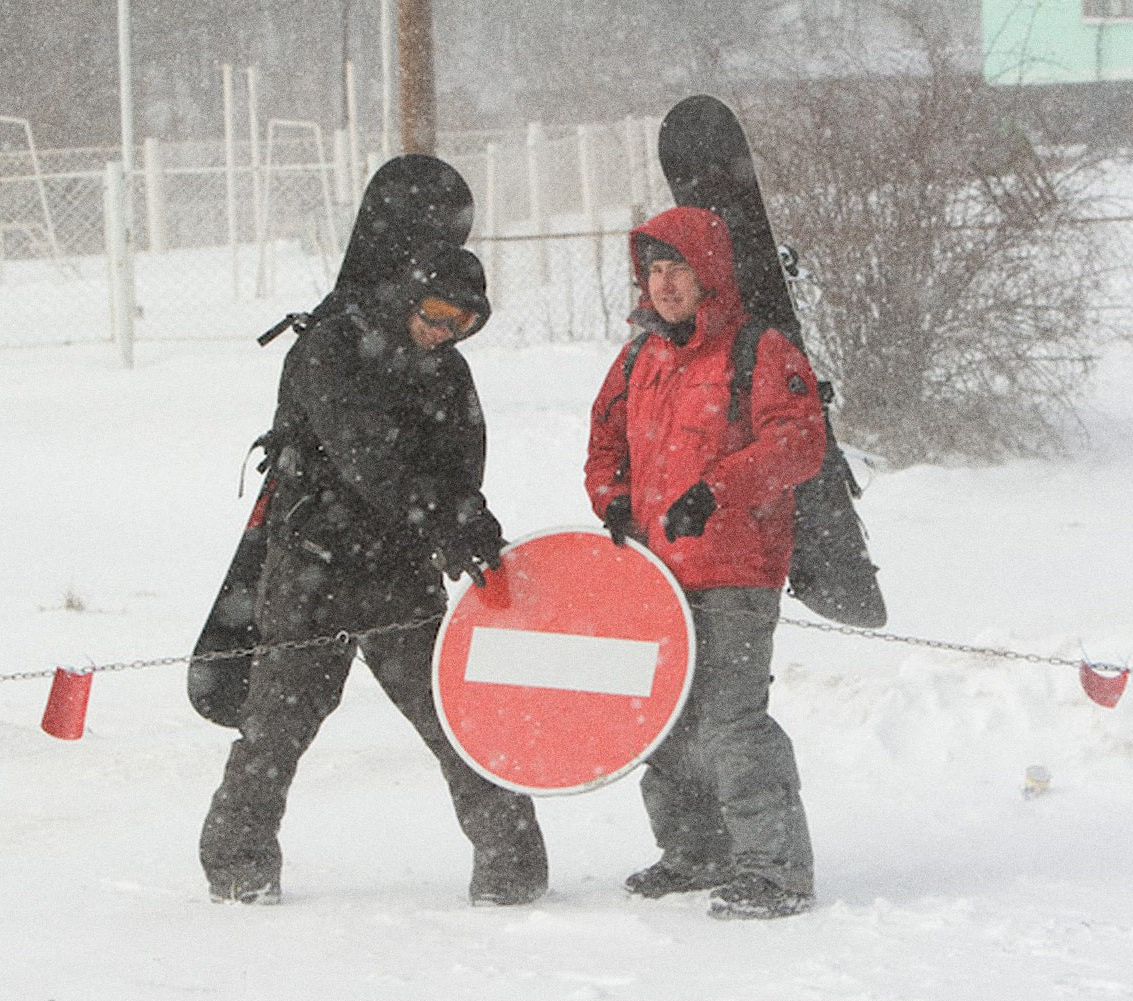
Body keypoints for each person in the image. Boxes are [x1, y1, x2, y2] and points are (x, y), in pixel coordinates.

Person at [200, 156, 548, 908]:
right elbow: (370, 458)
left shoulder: (446, 371)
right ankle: (237, 865)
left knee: (455, 716)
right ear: (405, 293)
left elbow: (461, 464)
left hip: (399, 573)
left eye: (463, 325)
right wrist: (443, 517)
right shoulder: (330, 348)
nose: (443, 334)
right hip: (314, 570)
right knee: (276, 728)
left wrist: (469, 519)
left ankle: (513, 866)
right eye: (437, 314)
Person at [583, 205, 826, 919]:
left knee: (731, 723)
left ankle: (775, 870)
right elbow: (604, 444)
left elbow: (798, 443)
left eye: (677, 270)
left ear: (709, 273)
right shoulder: (638, 358)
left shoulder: (760, 350)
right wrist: (613, 500)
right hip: (656, 575)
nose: (663, 285)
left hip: (735, 571)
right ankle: (694, 851)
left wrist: (717, 490)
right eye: (653, 271)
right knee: (664, 721)